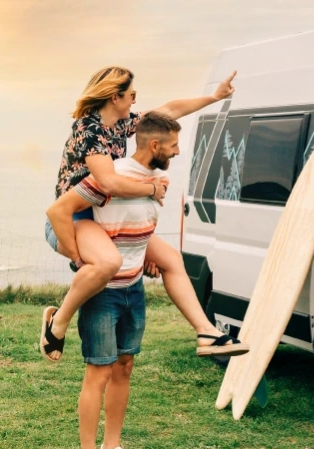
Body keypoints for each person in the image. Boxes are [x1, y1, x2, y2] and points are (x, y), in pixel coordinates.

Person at [47, 112, 248, 449]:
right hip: (103, 293)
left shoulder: (155, 181)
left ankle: (112, 445)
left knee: (124, 367)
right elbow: (61, 211)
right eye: (173, 145)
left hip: (133, 289)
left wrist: (145, 260)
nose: (178, 152)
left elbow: (137, 233)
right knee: (98, 374)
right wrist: (77, 258)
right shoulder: (112, 178)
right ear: (154, 145)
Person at [41, 66, 247, 362]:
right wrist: (151, 189)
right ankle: (57, 321)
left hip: (102, 219)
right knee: (109, 261)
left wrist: (214, 97)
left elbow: (169, 110)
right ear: (115, 97)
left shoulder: (121, 124)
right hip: (74, 219)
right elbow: (108, 182)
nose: (135, 101)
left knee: (171, 259)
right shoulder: (90, 130)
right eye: (131, 95)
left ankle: (207, 333)